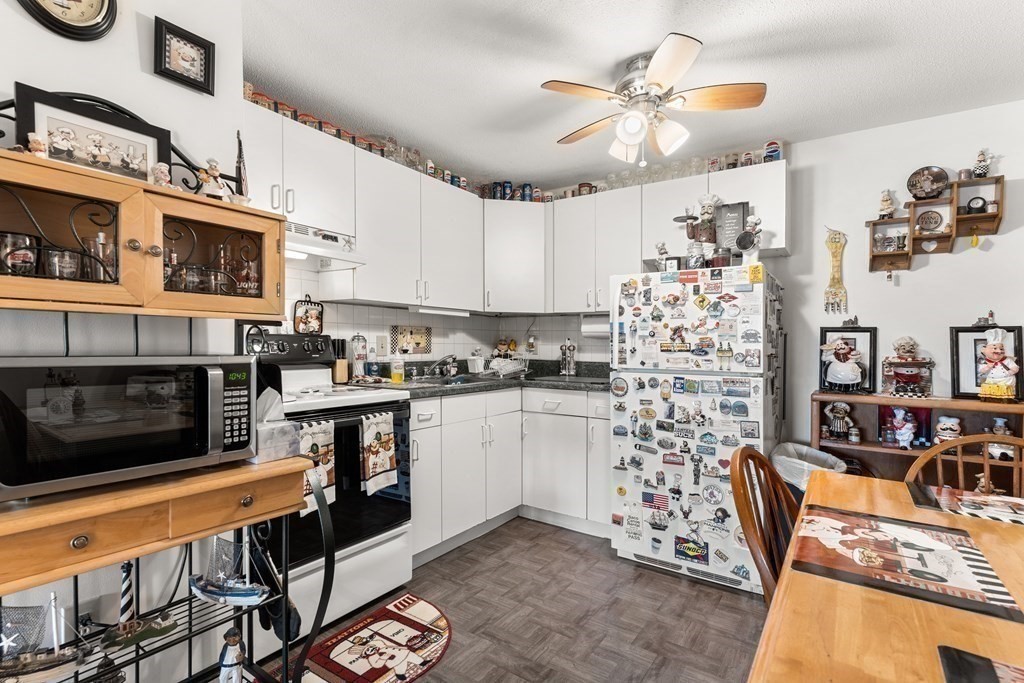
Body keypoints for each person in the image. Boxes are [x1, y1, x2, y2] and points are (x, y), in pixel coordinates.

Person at [347, 634, 432, 681]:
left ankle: (422, 662)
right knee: (400, 666)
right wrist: (383, 658)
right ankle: (400, 675)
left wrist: (401, 648)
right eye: (368, 649)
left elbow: (386, 645)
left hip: (401, 652)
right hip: (393, 659)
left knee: (413, 656)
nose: (371, 648)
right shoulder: (372, 657)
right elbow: (376, 665)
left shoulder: (377, 643)